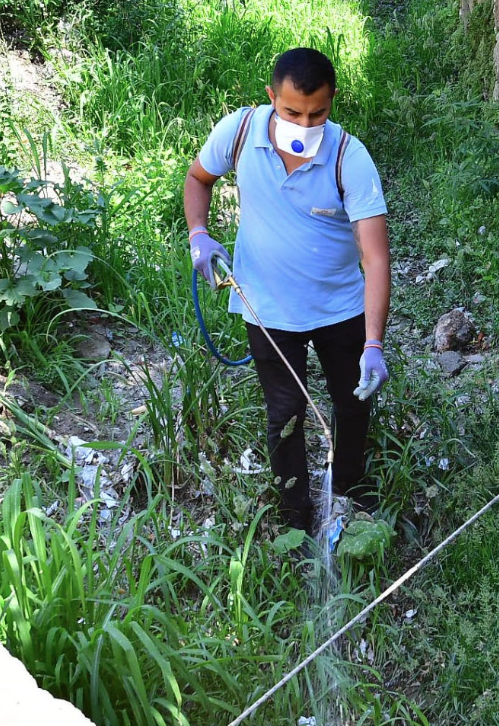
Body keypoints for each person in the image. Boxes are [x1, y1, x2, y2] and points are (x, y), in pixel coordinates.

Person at [183, 47, 391, 533]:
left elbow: (375, 257)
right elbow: (198, 178)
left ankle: (352, 495)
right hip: (268, 308)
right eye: (292, 112)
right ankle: (294, 518)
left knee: (352, 402)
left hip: (340, 307)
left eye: (317, 113)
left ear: (333, 101)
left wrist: (374, 344)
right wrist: (198, 233)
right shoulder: (238, 133)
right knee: (286, 413)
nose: (304, 123)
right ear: (271, 97)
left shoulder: (348, 157)